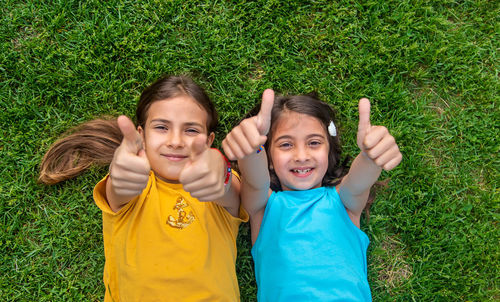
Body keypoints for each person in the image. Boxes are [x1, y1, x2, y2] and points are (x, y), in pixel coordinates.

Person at [39, 75, 248, 302]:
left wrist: (221, 171)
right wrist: (120, 174)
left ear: (208, 141)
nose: (176, 141)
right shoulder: (134, 185)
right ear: (141, 136)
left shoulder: (215, 190)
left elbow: (228, 190)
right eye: (161, 127)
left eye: (191, 131)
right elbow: (119, 188)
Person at [222, 89, 402, 301]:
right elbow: (255, 180)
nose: (301, 156)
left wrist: (371, 157)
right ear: (269, 157)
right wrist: (251, 150)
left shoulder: (344, 202)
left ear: (328, 150)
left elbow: (360, 181)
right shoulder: (263, 207)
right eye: (286, 144)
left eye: (314, 142)